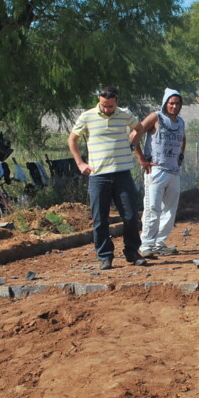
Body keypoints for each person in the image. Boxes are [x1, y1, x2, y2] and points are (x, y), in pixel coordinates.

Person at [69, 86, 150, 270]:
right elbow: (72, 139)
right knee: (100, 218)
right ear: (99, 100)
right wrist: (80, 163)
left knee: (130, 215)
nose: (107, 109)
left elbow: (139, 128)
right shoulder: (87, 117)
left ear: (117, 102)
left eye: (110, 106)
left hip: (122, 174)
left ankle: (132, 252)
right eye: (104, 105)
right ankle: (105, 256)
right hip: (98, 176)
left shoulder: (125, 115)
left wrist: (132, 144)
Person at [134, 88, 187, 258]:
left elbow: (183, 139)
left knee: (170, 209)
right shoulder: (156, 117)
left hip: (173, 171)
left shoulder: (180, 122)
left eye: (177, 103)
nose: (174, 106)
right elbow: (135, 134)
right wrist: (141, 158)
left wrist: (180, 156)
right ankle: (146, 244)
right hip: (156, 170)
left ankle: (159, 243)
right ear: (165, 103)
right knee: (152, 208)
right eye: (171, 103)